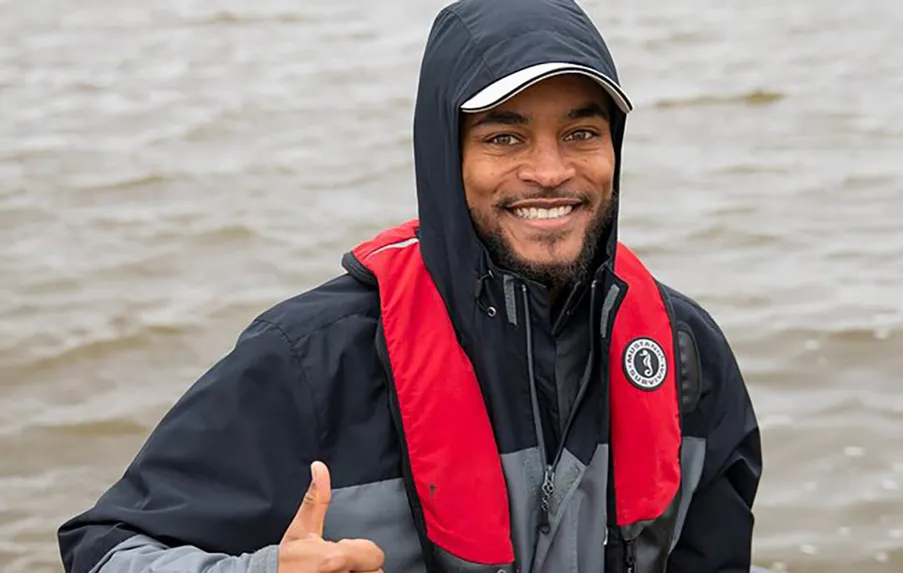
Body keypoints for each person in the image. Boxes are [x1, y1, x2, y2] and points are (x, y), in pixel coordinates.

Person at [57, 0, 762, 572]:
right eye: (505, 138)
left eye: (581, 133)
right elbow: (103, 549)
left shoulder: (685, 354)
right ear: (443, 154)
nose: (550, 171)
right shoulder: (310, 358)